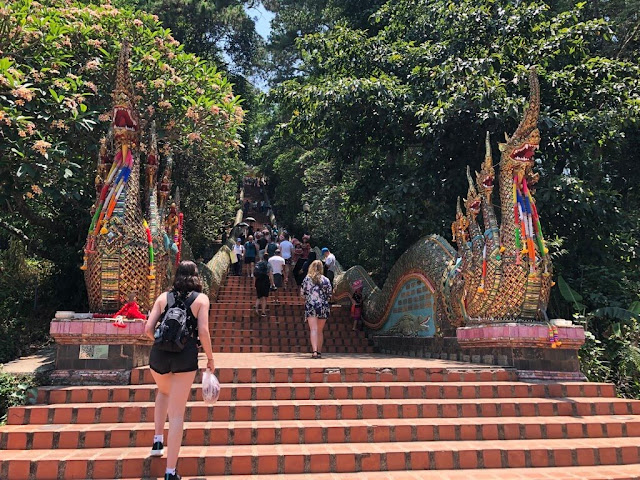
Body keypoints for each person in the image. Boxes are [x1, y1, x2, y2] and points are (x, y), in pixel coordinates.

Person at [145, 261, 214, 480]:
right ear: (196, 277)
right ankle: (170, 471)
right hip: (185, 357)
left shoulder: (163, 298)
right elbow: (203, 331)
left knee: (163, 392)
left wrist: (162, 342)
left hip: (158, 357)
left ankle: (157, 440)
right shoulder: (201, 300)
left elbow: (148, 329)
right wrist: (210, 358)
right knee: (176, 414)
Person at [301, 260, 333, 358]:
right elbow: (330, 294)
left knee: (313, 329)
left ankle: (314, 351)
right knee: (320, 330)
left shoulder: (307, 279)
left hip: (311, 305)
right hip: (323, 306)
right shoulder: (326, 280)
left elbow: (302, 293)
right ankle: (319, 351)